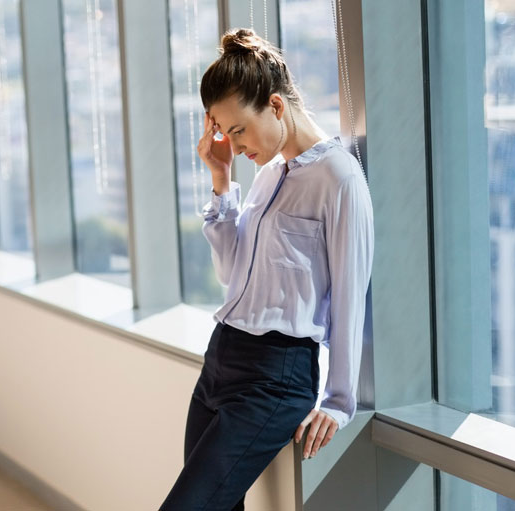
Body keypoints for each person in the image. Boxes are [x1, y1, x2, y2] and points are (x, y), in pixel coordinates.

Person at [159, 27, 374, 511]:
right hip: (220, 360)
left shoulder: (339, 180)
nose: (233, 145)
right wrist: (221, 183)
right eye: (224, 132)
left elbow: (349, 296)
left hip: (274, 377)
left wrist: (339, 402)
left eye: (238, 130)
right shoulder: (268, 174)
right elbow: (232, 275)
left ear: (275, 106)